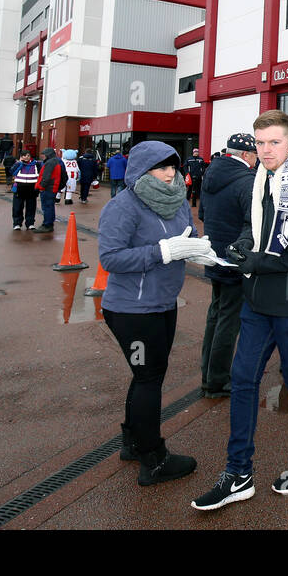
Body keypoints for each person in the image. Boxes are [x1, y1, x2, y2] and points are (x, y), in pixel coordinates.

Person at [192, 110, 288, 512]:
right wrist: (242, 245)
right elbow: (256, 227)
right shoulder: (260, 180)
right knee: (242, 379)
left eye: (274, 142)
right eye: (260, 143)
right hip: (258, 300)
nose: (266, 150)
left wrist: (260, 262)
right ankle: (238, 472)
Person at [100, 141, 216, 486]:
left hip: (164, 303)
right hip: (132, 310)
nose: (170, 174)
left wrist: (196, 247)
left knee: (147, 376)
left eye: (173, 167)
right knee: (149, 378)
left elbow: (185, 236)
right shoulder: (124, 206)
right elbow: (111, 258)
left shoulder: (178, 200)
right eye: (162, 168)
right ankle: (153, 458)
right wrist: (161, 252)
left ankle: (132, 443)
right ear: (142, 170)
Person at [198, 133, 257, 398]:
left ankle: (208, 372)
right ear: (245, 155)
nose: (257, 159)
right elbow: (253, 222)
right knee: (229, 320)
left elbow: (202, 214)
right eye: (255, 154)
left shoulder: (211, 174)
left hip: (214, 254)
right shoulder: (246, 181)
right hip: (235, 258)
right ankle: (218, 379)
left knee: (216, 313)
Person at [35, 148, 66, 233]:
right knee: (50, 206)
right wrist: (59, 186)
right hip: (53, 188)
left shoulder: (50, 163)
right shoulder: (57, 161)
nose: (42, 157)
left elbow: (46, 177)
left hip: (48, 188)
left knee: (47, 207)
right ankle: (49, 223)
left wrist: (40, 187)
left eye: (44, 155)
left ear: (48, 155)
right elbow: (64, 176)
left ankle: (47, 224)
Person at [10, 150, 40, 230]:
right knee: (17, 207)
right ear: (21, 157)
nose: (26, 157)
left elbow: (41, 175)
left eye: (28, 155)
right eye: (24, 155)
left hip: (32, 188)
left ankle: (30, 223)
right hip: (19, 188)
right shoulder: (17, 164)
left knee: (31, 207)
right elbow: (12, 172)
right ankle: (17, 223)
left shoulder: (36, 164)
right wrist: (20, 164)